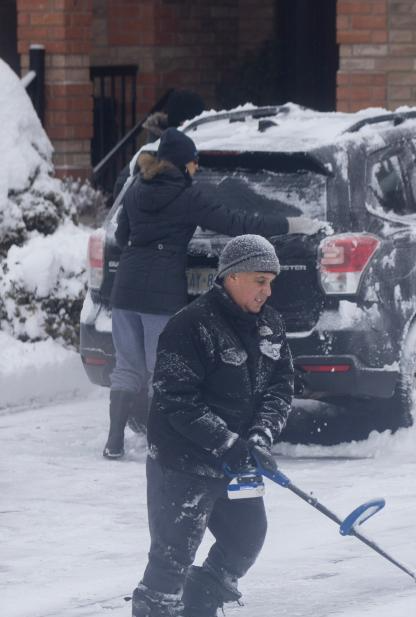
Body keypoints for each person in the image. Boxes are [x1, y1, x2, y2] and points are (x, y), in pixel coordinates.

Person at [123, 234, 294, 617]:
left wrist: (258, 438)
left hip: (236, 459)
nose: (266, 291)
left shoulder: (270, 324)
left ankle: (198, 612)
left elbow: (280, 388)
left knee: (246, 536)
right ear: (230, 277)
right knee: (174, 548)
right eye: (259, 280)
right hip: (184, 459)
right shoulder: (190, 326)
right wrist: (227, 443)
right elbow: (175, 399)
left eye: (270, 281)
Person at [104, 127, 321, 459]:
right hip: (160, 294)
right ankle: (157, 443)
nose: (196, 169)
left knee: (127, 366)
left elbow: (121, 237)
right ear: (182, 163)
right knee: (160, 369)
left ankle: (113, 444)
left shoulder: (135, 188)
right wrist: (291, 224)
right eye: (194, 162)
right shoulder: (186, 196)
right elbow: (237, 222)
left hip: (125, 290)